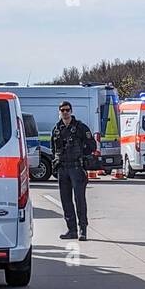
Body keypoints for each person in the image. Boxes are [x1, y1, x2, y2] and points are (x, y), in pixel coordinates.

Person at [51, 101, 97, 241]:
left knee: (79, 200)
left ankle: (83, 229)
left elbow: (91, 145)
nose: (65, 112)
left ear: (71, 111)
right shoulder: (56, 129)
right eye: (62, 110)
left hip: (76, 168)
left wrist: (81, 155)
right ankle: (72, 230)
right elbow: (54, 149)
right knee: (66, 201)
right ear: (59, 111)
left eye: (67, 110)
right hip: (63, 168)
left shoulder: (80, 127)